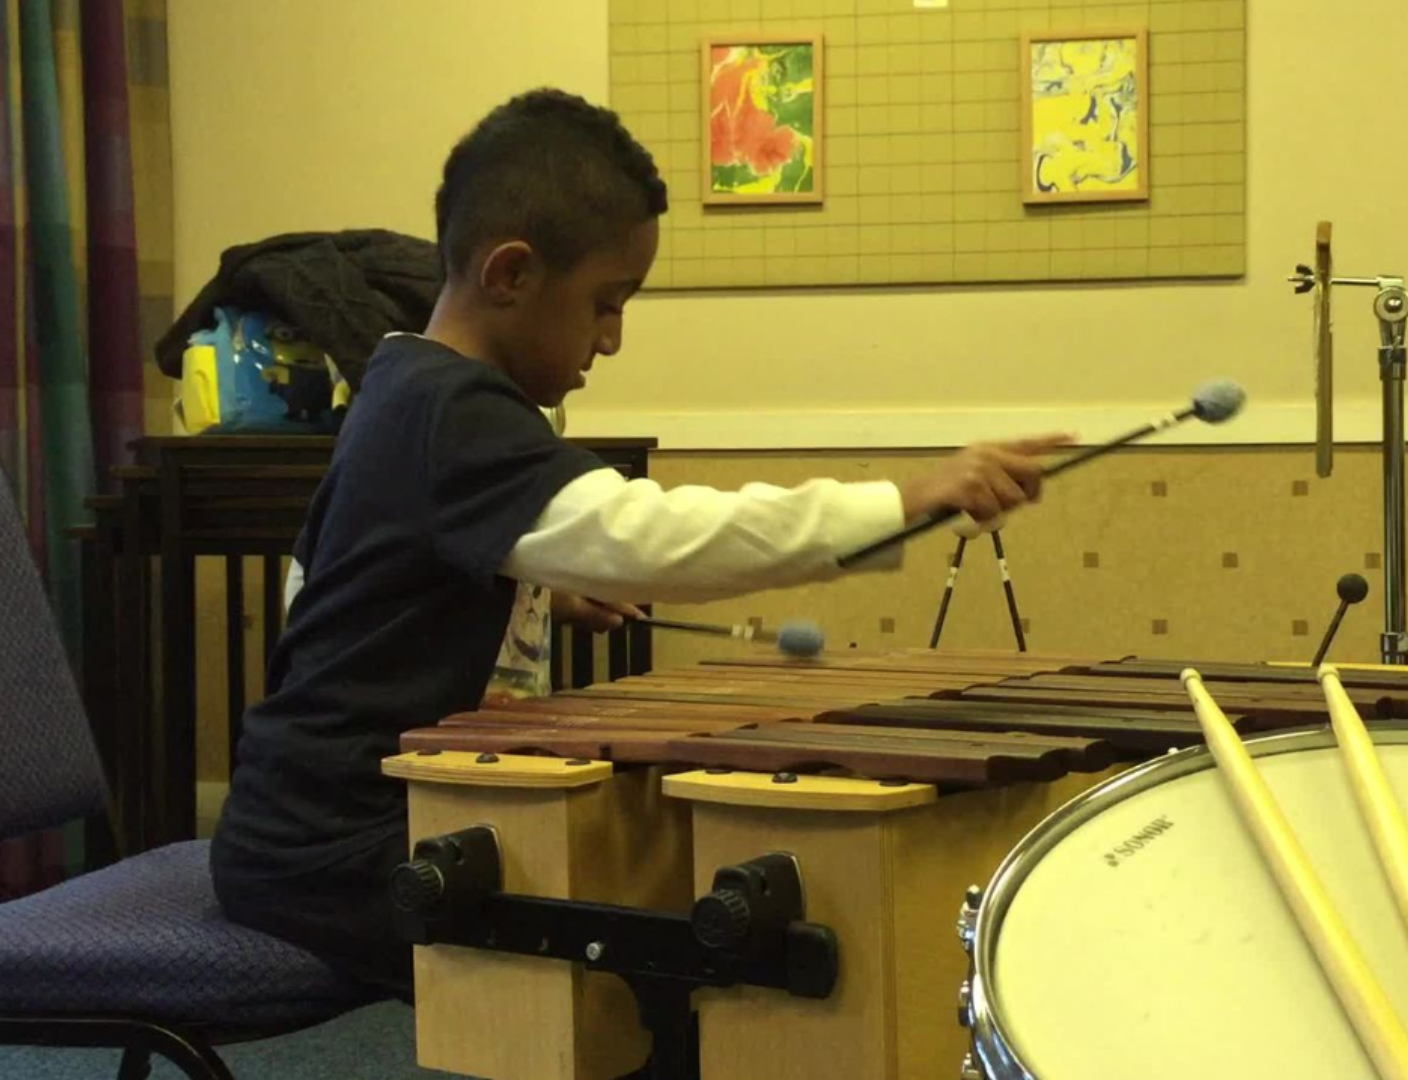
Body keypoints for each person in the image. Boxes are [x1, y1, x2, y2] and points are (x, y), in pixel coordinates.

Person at [209, 87, 1070, 1000]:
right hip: (338, 853)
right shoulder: (451, 411)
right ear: (510, 275)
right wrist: (906, 498)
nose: (612, 339)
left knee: (680, 929)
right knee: (683, 969)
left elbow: (327, 582)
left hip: (311, 830)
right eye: (606, 302)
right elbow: (647, 538)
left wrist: (527, 584)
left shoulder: (400, 382)